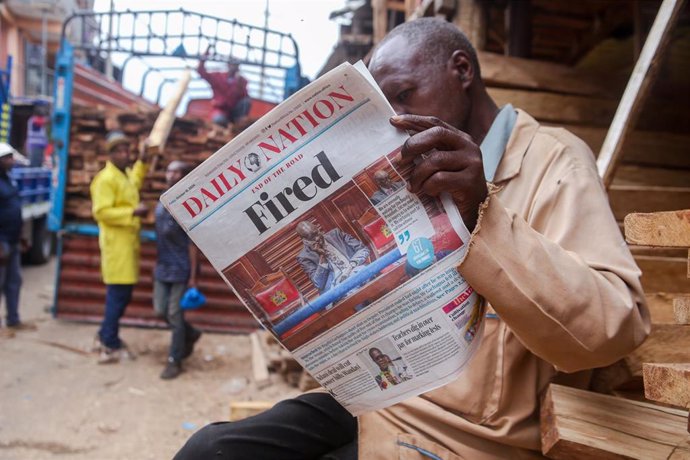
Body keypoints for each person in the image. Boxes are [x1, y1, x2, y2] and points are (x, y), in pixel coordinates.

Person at [174, 18, 650, 460]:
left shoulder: (556, 159)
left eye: (404, 95)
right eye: (383, 107)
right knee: (210, 449)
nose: (395, 120)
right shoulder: (406, 163)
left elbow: (613, 327)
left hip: (463, 432)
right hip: (376, 399)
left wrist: (483, 211)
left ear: (461, 70)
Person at [90, 131, 149, 364]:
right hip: (116, 246)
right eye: (122, 151)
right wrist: (132, 212)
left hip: (127, 244)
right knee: (118, 296)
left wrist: (142, 161)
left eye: (128, 151)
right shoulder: (105, 179)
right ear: (112, 154)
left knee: (122, 295)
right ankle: (109, 340)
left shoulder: (122, 176)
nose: (126, 155)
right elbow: (101, 212)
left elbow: (134, 182)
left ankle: (106, 333)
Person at [154, 160, 203, 380]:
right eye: (169, 170)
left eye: (176, 171)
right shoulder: (161, 200)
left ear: (183, 177)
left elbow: (193, 244)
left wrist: (193, 276)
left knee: (174, 313)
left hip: (180, 267)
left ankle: (175, 360)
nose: (171, 174)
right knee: (160, 310)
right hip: (162, 266)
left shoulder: (187, 205)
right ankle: (190, 333)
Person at [0, 143, 35, 338]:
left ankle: (13, 319)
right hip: (1, 241)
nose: (11, 161)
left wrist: (22, 236)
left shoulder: (9, 180)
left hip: (12, 240)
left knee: (14, 281)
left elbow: (14, 210)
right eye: (7, 158)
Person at [295, 221, 369, 294]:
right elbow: (319, 284)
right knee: (352, 290)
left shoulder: (336, 234)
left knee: (365, 275)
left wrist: (351, 265)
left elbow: (363, 249)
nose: (317, 238)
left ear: (317, 228)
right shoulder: (304, 257)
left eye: (316, 233)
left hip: (356, 271)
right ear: (304, 240)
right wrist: (322, 256)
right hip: (338, 288)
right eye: (312, 238)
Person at [197, 49, 251, 127]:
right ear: (228, 65)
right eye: (232, 64)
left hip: (234, 112)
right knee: (219, 120)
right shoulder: (218, 77)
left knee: (246, 101)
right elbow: (200, 71)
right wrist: (206, 53)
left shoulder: (242, 81)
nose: (234, 67)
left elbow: (244, 98)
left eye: (236, 65)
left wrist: (239, 85)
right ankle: (226, 125)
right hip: (221, 111)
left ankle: (239, 123)